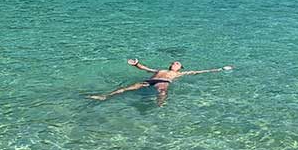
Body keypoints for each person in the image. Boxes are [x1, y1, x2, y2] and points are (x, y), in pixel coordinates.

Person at [89, 59, 233, 106]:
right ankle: (105, 96)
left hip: (163, 81)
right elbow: (145, 68)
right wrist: (136, 64)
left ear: (180, 68)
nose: (174, 64)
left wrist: (220, 69)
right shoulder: (160, 69)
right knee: (125, 88)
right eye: (174, 62)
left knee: (162, 91)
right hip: (149, 80)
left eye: (177, 63)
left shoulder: (180, 73)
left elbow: (201, 72)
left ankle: (160, 104)